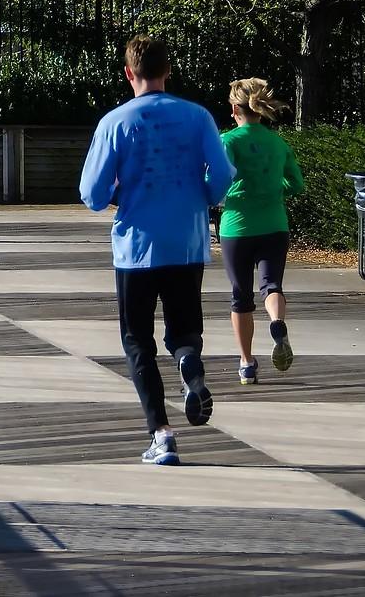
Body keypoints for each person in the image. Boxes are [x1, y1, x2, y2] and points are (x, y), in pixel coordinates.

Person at [79, 35, 234, 467]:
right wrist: (202, 197)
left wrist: (116, 193)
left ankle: (161, 434)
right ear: (168, 70)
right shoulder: (198, 116)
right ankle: (187, 361)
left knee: (137, 341)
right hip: (186, 241)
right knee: (184, 328)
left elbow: (90, 193)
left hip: (136, 248)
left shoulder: (115, 122)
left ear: (129, 73)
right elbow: (222, 172)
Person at [220, 77, 305, 384]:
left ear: (234, 109)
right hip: (274, 224)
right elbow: (297, 184)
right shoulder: (278, 142)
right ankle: (277, 320)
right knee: (272, 285)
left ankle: (246, 363)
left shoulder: (228, 141)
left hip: (237, 226)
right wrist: (273, 187)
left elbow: (217, 180)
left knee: (240, 296)